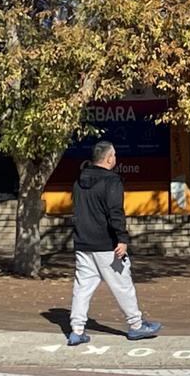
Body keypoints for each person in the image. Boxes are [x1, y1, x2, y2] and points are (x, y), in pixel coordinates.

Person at [68, 141, 161, 345]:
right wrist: (122, 238)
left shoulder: (78, 182)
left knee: (82, 286)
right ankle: (136, 325)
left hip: (84, 243)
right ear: (109, 158)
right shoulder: (112, 181)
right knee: (122, 285)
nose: (116, 159)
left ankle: (76, 329)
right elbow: (115, 212)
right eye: (115, 155)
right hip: (107, 244)